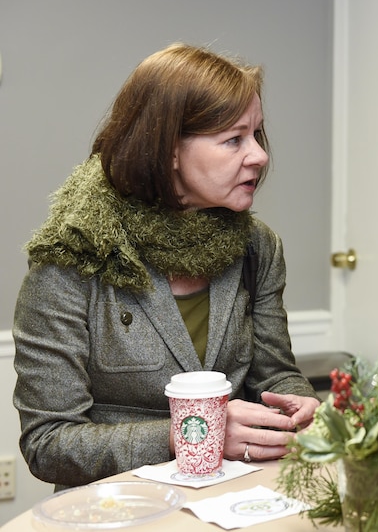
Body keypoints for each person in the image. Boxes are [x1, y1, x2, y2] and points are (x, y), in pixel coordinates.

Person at [13, 43, 320, 490]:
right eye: (234, 139)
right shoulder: (73, 258)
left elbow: (274, 373)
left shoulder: (256, 247)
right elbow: (48, 443)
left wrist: (298, 402)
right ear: (168, 150)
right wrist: (192, 435)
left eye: (257, 134)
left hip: (233, 501)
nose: (259, 155)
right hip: (118, 511)